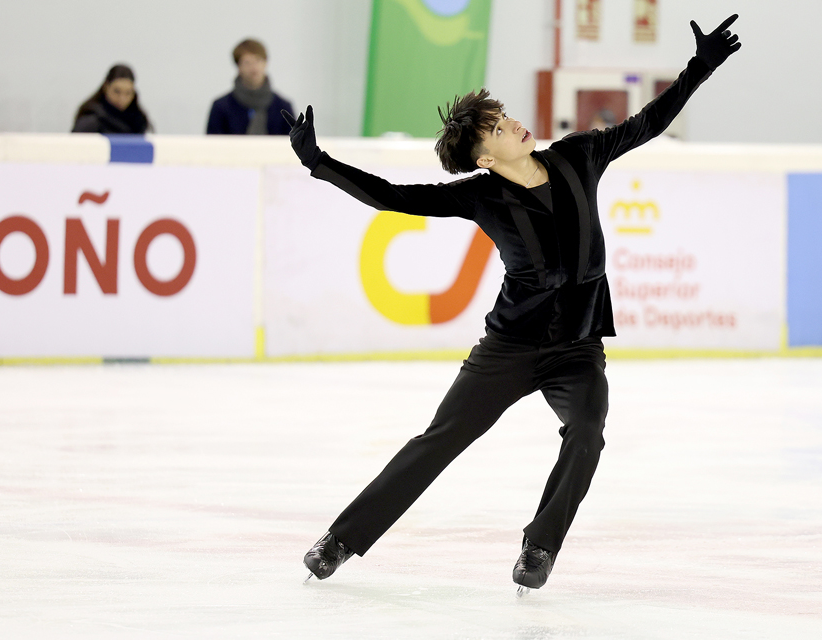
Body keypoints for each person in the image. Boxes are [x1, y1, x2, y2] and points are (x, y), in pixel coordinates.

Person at [284, 16, 741, 594]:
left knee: (587, 431)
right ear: (483, 156)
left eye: (506, 117)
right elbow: (392, 198)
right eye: (497, 127)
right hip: (509, 349)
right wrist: (318, 163)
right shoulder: (481, 196)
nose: (514, 125)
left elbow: (647, 123)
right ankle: (340, 541)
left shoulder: (579, 156)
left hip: (577, 348)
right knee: (439, 440)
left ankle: (539, 546)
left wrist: (699, 67)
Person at [206, 38, 293, 135]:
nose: (253, 67)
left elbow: (294, 145)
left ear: (265, 63)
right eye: (247, 62)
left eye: (257, 60)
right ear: (238, 66)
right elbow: (212, 146)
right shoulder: (221, 107)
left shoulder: (283, 107)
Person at [72, 64, 152, 134]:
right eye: (117, 91)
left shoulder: (139, 121)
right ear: (106, 87)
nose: (122, 99)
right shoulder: (91, 121)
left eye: (128, 93)